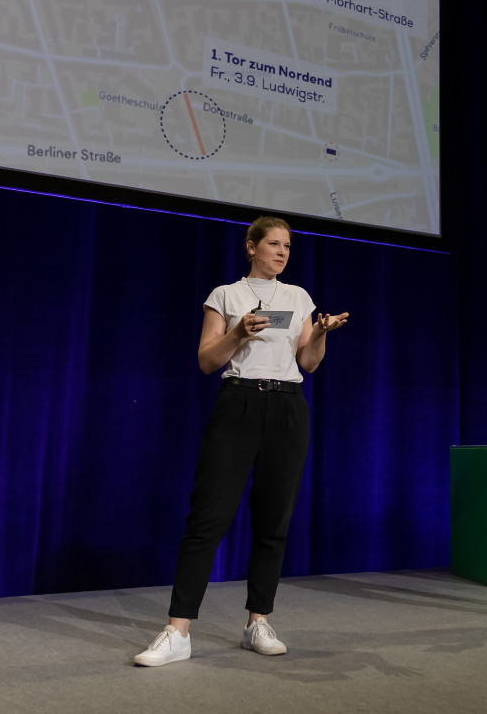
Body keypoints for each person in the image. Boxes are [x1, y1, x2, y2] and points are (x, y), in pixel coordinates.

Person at [134, 216, 348, 666]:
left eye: (287, 246)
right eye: (273, 244)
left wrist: (320, 334)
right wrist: (238, 332)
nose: (282, 252)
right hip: (239, 403)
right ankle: (178, 631)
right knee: (208, 517)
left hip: (288, 407)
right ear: (251, 247)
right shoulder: (226, 295)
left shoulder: (298, 297)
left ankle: (258, 622)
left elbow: (308, 363)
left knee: (274, 520)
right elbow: (206, 361)